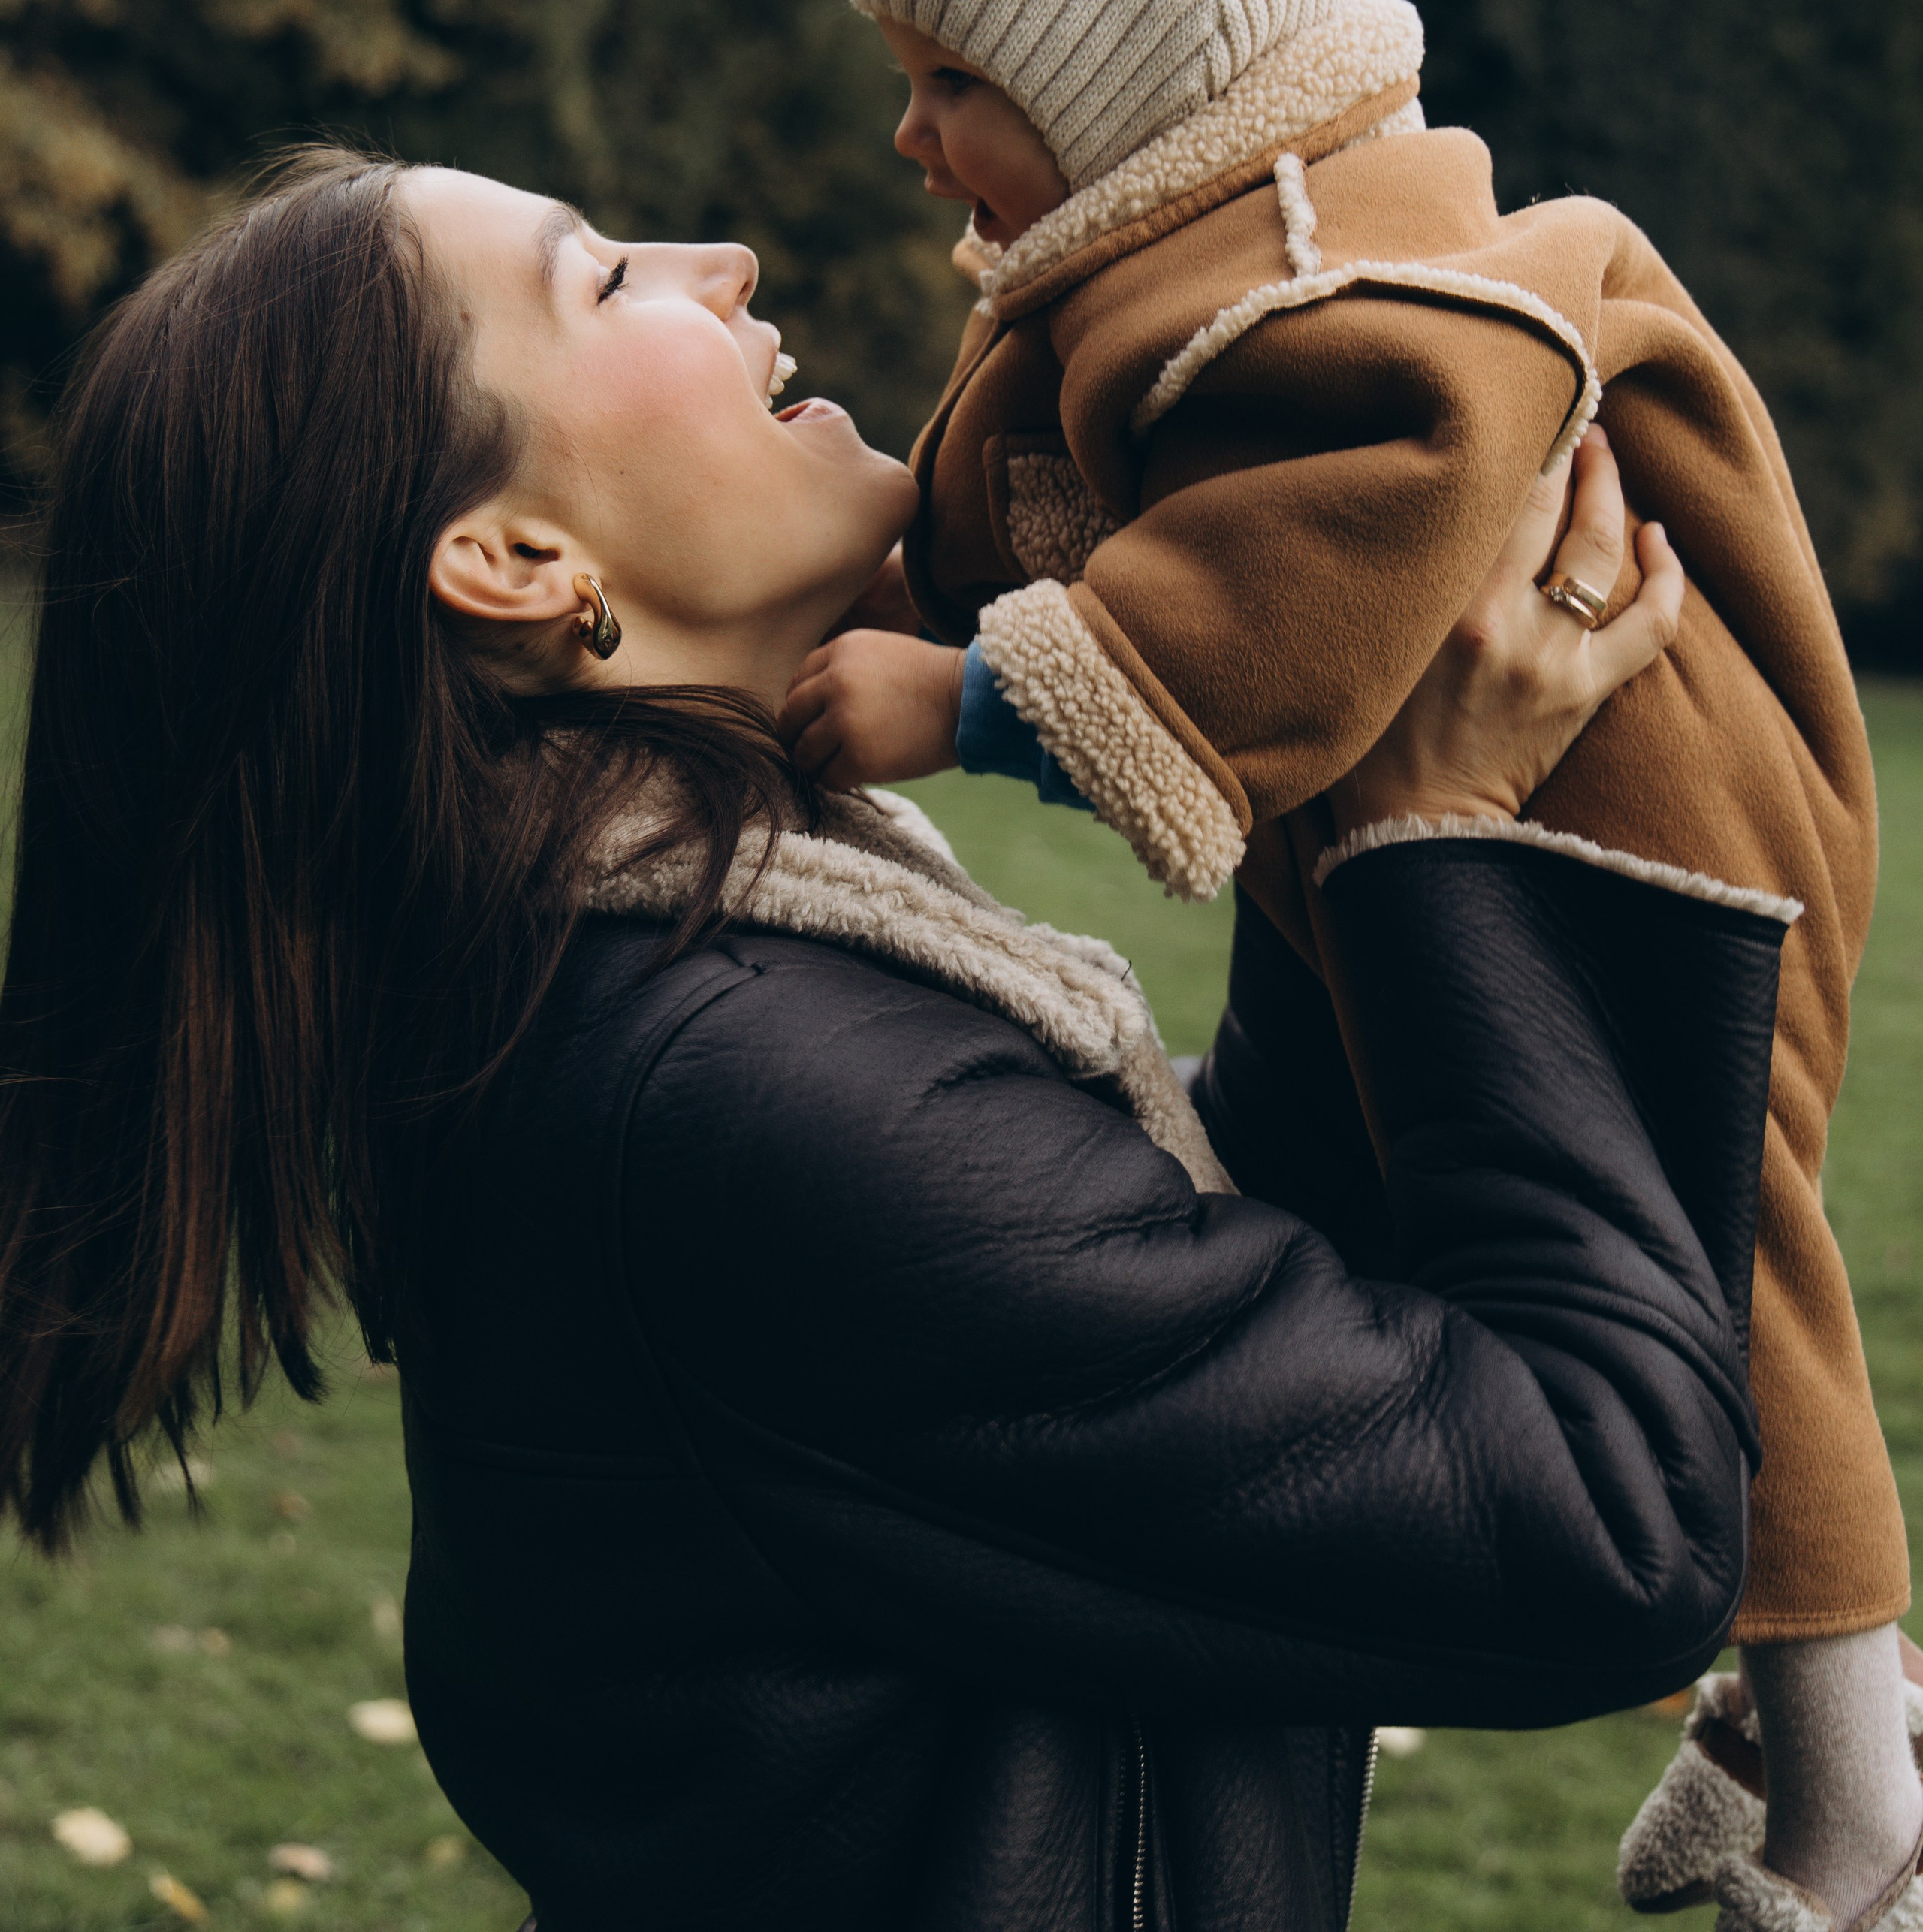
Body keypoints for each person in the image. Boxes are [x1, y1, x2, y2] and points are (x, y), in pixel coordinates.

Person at [0, 149, 1782, 1932]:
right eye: (602, 281)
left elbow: (1200, 1296)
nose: (721, 254)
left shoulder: (628, 1001)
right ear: (518, 560)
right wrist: (1431, 842)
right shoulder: (722, 1091)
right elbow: (1602, 1529)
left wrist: (1335, 735)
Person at [788, 0, 1921, 1932]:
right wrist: (863, 585)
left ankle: (1855, 1782)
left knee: (1724, 1244)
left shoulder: (1344, 287)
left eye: (957, 84)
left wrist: (973, 694)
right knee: (1387, 1239)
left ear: (1131, 76)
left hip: (1636, 812)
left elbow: (1319, 560)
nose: (917, 143)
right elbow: (1017, 496)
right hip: (1438, 826)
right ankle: (1695, 1676)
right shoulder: (1119, 269)